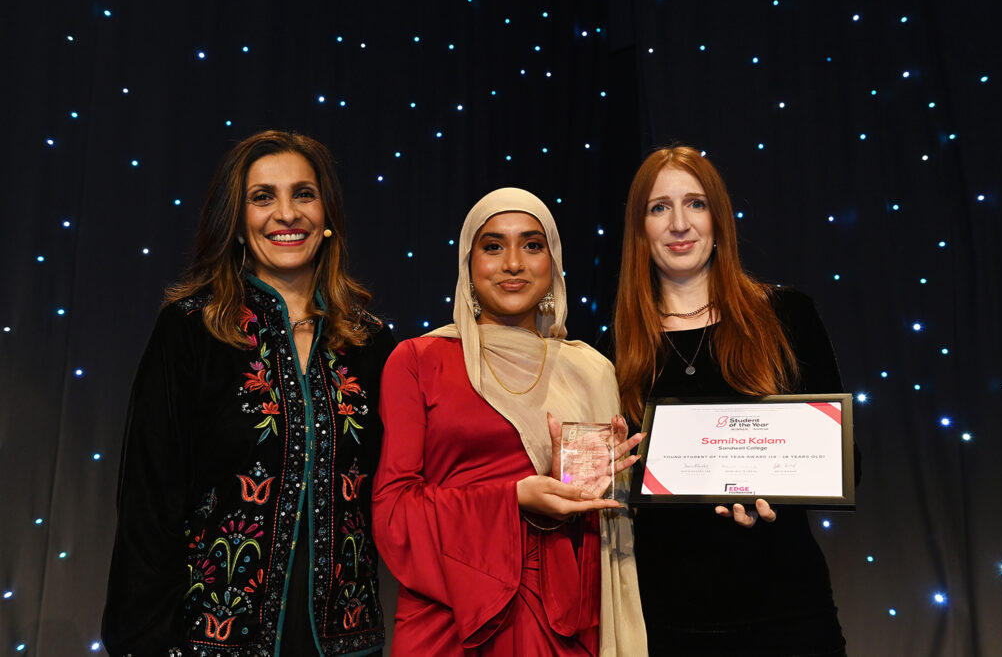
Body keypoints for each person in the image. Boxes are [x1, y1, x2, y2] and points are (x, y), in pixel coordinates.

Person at [102, 131, 395, 656]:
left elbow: (401, 492)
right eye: (263, 197)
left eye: (304, 194)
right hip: (210, 639)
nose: (287, 213)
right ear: (236, 221)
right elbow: (149, 501)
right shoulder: (191, 331)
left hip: (346, 640)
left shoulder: (370, 343)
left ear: (327, 214)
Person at [372, 188, 647, 656]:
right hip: (451, 620)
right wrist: (515, 498)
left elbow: (605, 534)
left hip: (559, 620)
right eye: (493, 246)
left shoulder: (589, 370)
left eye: (532, 245)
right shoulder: (418, 361)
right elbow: (394, 513)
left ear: (553, 263)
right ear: (468, 265)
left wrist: (569, 486)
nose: (513, 263)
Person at [606, 146, 856, 656]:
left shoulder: (788, 315)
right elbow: (605, 490)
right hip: (667, 621)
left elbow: (846, 461)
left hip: (787, 613)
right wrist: (602, 468)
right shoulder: (612, 350)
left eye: (695, 204)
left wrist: (774, 491)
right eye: (659, 208)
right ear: (639, 230)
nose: (679, 223)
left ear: (719, 218)